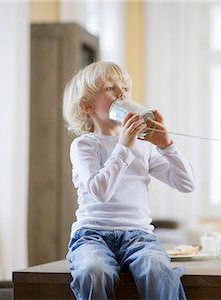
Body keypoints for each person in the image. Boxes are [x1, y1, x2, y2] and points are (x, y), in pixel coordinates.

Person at [62, 61, 195, 300]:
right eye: (110, 88)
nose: (121, 93)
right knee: (93, 271)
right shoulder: (85, 145)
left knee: (158, 269)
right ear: (86, 105)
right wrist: (123, 147)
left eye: (124, 88)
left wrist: (166, 145)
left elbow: (186, 184)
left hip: (138, 235)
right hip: (93, 234)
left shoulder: (143, 147)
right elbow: (100, 191)